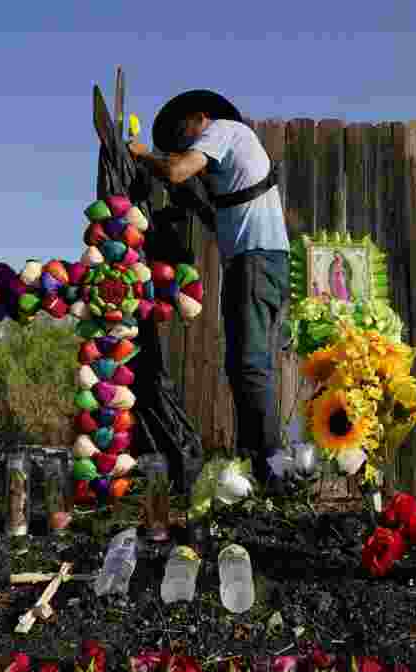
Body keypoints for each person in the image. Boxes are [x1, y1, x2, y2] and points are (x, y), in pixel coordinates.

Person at [128, 89, 290, 491]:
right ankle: (258, 465)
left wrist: (141, 153)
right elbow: (215, 215)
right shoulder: (231, 166)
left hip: (255, 261)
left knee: (250, 365)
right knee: (246, 366)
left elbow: (178, 170)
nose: (181, 144)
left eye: (181, 133)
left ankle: (269, 470)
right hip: (257, 263)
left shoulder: (223, 130)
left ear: (200, 117)